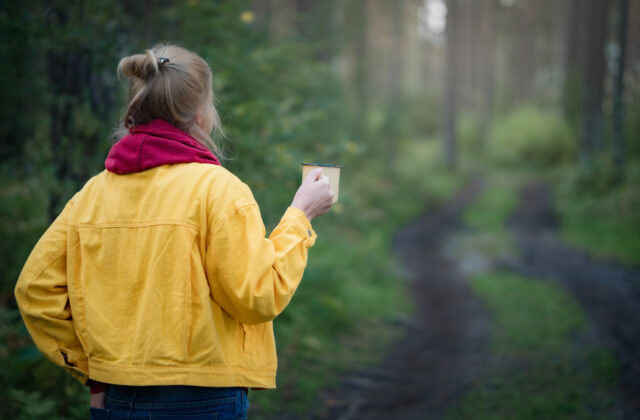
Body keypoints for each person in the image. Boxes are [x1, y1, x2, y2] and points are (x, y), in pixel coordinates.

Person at [14, 44, 334, 420]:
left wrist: (94, 373)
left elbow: (34, 290)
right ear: (201, 114)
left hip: (115, 397)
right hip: (203, 399)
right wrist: (300, 215)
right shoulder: (220, 189)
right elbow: (256, 295)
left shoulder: (92, 194)